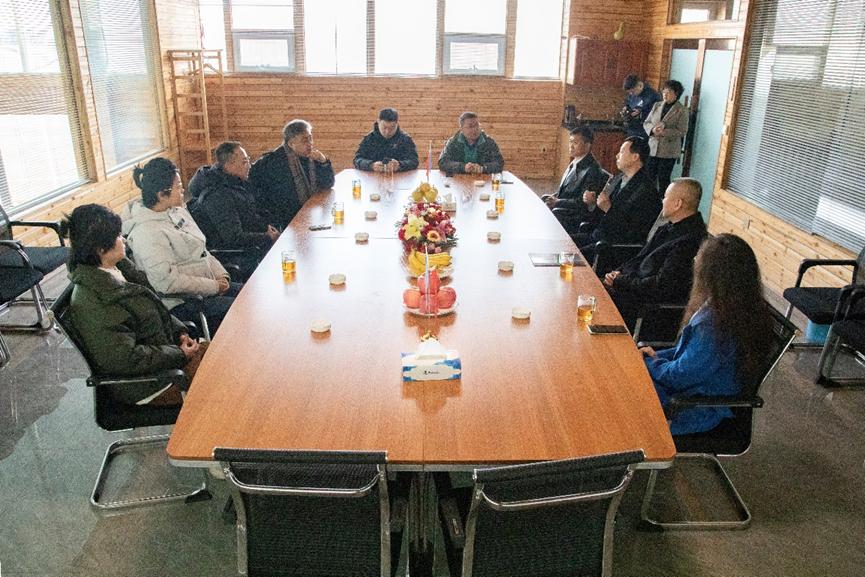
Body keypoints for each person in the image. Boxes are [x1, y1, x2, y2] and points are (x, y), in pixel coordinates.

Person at [60, 204, 207, 406]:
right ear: (101, 250)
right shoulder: (94, 300)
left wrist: (180, 332)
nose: (124, 240)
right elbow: (126, 359)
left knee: (228, 357)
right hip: (151, 385)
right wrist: (179, 354)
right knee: (228, 381)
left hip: (168, 360)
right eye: (118, 236)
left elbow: (153, 308)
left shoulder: (117, 270)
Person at [640, 234, 774, 435]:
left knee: (616, 402)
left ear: (709, 274)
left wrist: (649, 363)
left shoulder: (715, 324)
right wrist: (654, 356)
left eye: (698, 260)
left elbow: (681, 376)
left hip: (691, 409)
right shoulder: (737, 307)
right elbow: (687, 357)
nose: (694, 262)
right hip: (691, 396)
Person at [122, 157, 241, 336]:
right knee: (245, 310)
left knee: (252, 294)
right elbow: (167, 282)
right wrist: (214, 287)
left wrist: (221, 275)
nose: (183, 190)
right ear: (161, 194)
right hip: (186, 302)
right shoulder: (146, 233)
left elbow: (202, 250)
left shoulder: (177, 211)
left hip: (209, 285)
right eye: (178, 187)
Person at [604, 178, 707, 329]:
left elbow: (661, 286)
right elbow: (640, 258)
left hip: (646, 310)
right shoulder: (668, 227)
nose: (662, 201)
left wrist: (621, 281)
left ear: (677, 204)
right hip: (631, 288)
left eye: (665, 197)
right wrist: (618, 273)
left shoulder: (689, 240)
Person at [187, 141, 280, 280]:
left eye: (248, 160)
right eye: (244, 162)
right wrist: (267, 237)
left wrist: (267, 226)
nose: (249, 165)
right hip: (235, 254)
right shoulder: (217, 195)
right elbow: (233, 237)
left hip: (253, 241)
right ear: (228, 165)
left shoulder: (236, 182)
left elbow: (249, 214)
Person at [579, 137, 660, 267]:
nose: (617, 155)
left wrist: (609, 210)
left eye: (621, 152)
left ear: (635, 157)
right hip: (596, 235)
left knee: (566, 258)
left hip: (611, 247)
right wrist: (593, 202)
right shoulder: (619, 178)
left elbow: (634, 232)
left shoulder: (646, 191)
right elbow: (601, 212)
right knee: (562, 245)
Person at [249, 119, 335, 227]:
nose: (310, 144)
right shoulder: (272, 162)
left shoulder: (313, 157)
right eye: (304, 140)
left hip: (311, 212)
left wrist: (323, 162)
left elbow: (328, 184)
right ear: (291, 144)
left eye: (310, 138)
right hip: (285, 219)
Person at [542, 127, 610, 236]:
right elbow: (566, 190)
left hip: (574, 217)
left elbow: (583, 203)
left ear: (587, 145)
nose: (571, 146)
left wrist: (557, 202)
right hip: (564, 208)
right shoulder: (575, 162)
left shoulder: (593, 170)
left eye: (575, 143)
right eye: (570, 142)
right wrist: (554, 197)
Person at [644, 80, 689, 197]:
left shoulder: (682, 110)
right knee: (648, 177)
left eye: (668, 92)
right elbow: (647, 122)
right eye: (664, 92)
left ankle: (662, 203)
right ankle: (647, 201)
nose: (665, 95)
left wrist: (664, 132)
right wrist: (652, 130)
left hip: (668, 151)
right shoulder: (657, 105)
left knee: (663, 178)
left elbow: (682, 131)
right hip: (653, 148)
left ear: (676, 94)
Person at [354, 108, 419, 173]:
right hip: (372, 177)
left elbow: (414, 161)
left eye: (392, 128)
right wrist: (371, 165)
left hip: (400, 177)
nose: (387, 132)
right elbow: (357, 160)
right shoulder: (369, 139)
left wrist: (400, 165)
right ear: (378, 122)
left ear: (397, 124)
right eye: (384, 127)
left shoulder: (405, 139)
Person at [438, 111, 504, 175]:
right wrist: (463, 167)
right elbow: (443, 162)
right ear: (462, 129)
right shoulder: (453, 142)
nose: (475, 129)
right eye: (470, 126)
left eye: (477, 125)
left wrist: (483, 168)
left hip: (483, 179)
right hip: (459, 180)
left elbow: (499, 163)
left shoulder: (489, 142)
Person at [622, 74, 661, 139]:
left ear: (640, 85)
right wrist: (626, 108)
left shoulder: (653, 96)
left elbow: (657, 114)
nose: (631, 94)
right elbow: (628, 103)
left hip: (645, 131)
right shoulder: (632, 94)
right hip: (632, 130)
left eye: (632, 91)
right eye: (629, 92)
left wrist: (641, 112)